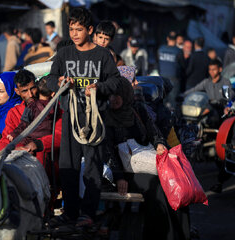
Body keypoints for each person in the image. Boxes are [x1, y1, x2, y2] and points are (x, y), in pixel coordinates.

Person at [47, 7, 121, 227]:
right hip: (70, 117)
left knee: (92, 167)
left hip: (95, 120)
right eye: (71, 29)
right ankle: (69, 212)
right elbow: (50, 78)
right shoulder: (64, 53)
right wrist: (59, 82)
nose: (74, 34)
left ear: (89, 29)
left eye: (79, 29)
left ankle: (87, 213)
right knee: (68, 166)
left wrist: (99, 87)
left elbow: (116, 81)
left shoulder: (102, 55)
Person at [105, 77, 190, 240]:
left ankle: (181, 234)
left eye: (118, 95)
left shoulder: (138, 109)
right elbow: (109, 151)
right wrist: (120, 177)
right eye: (111, 95)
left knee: (176, 183)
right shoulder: (107, 116)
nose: (114, 99)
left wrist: (159, 144)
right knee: (157, 188)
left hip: (146, 160)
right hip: (124, 170)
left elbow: (154, 132)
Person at [7, 76, 54, 145]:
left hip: (37, 144)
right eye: (24, 91)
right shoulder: (13, 113)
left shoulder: (32, 106)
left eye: (33, 88)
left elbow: (23, 124)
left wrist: (14, 134)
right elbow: (5, 140)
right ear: (17, 91)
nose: (30, 95)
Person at [157, 31, 182, 109]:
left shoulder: (160, 49)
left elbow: (158, 63)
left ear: (167, 38)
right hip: (174, 79)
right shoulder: (178, 51)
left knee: (162, 102)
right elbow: (182, 66)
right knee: (173, 104)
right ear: (176, 39)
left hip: (162, 78)